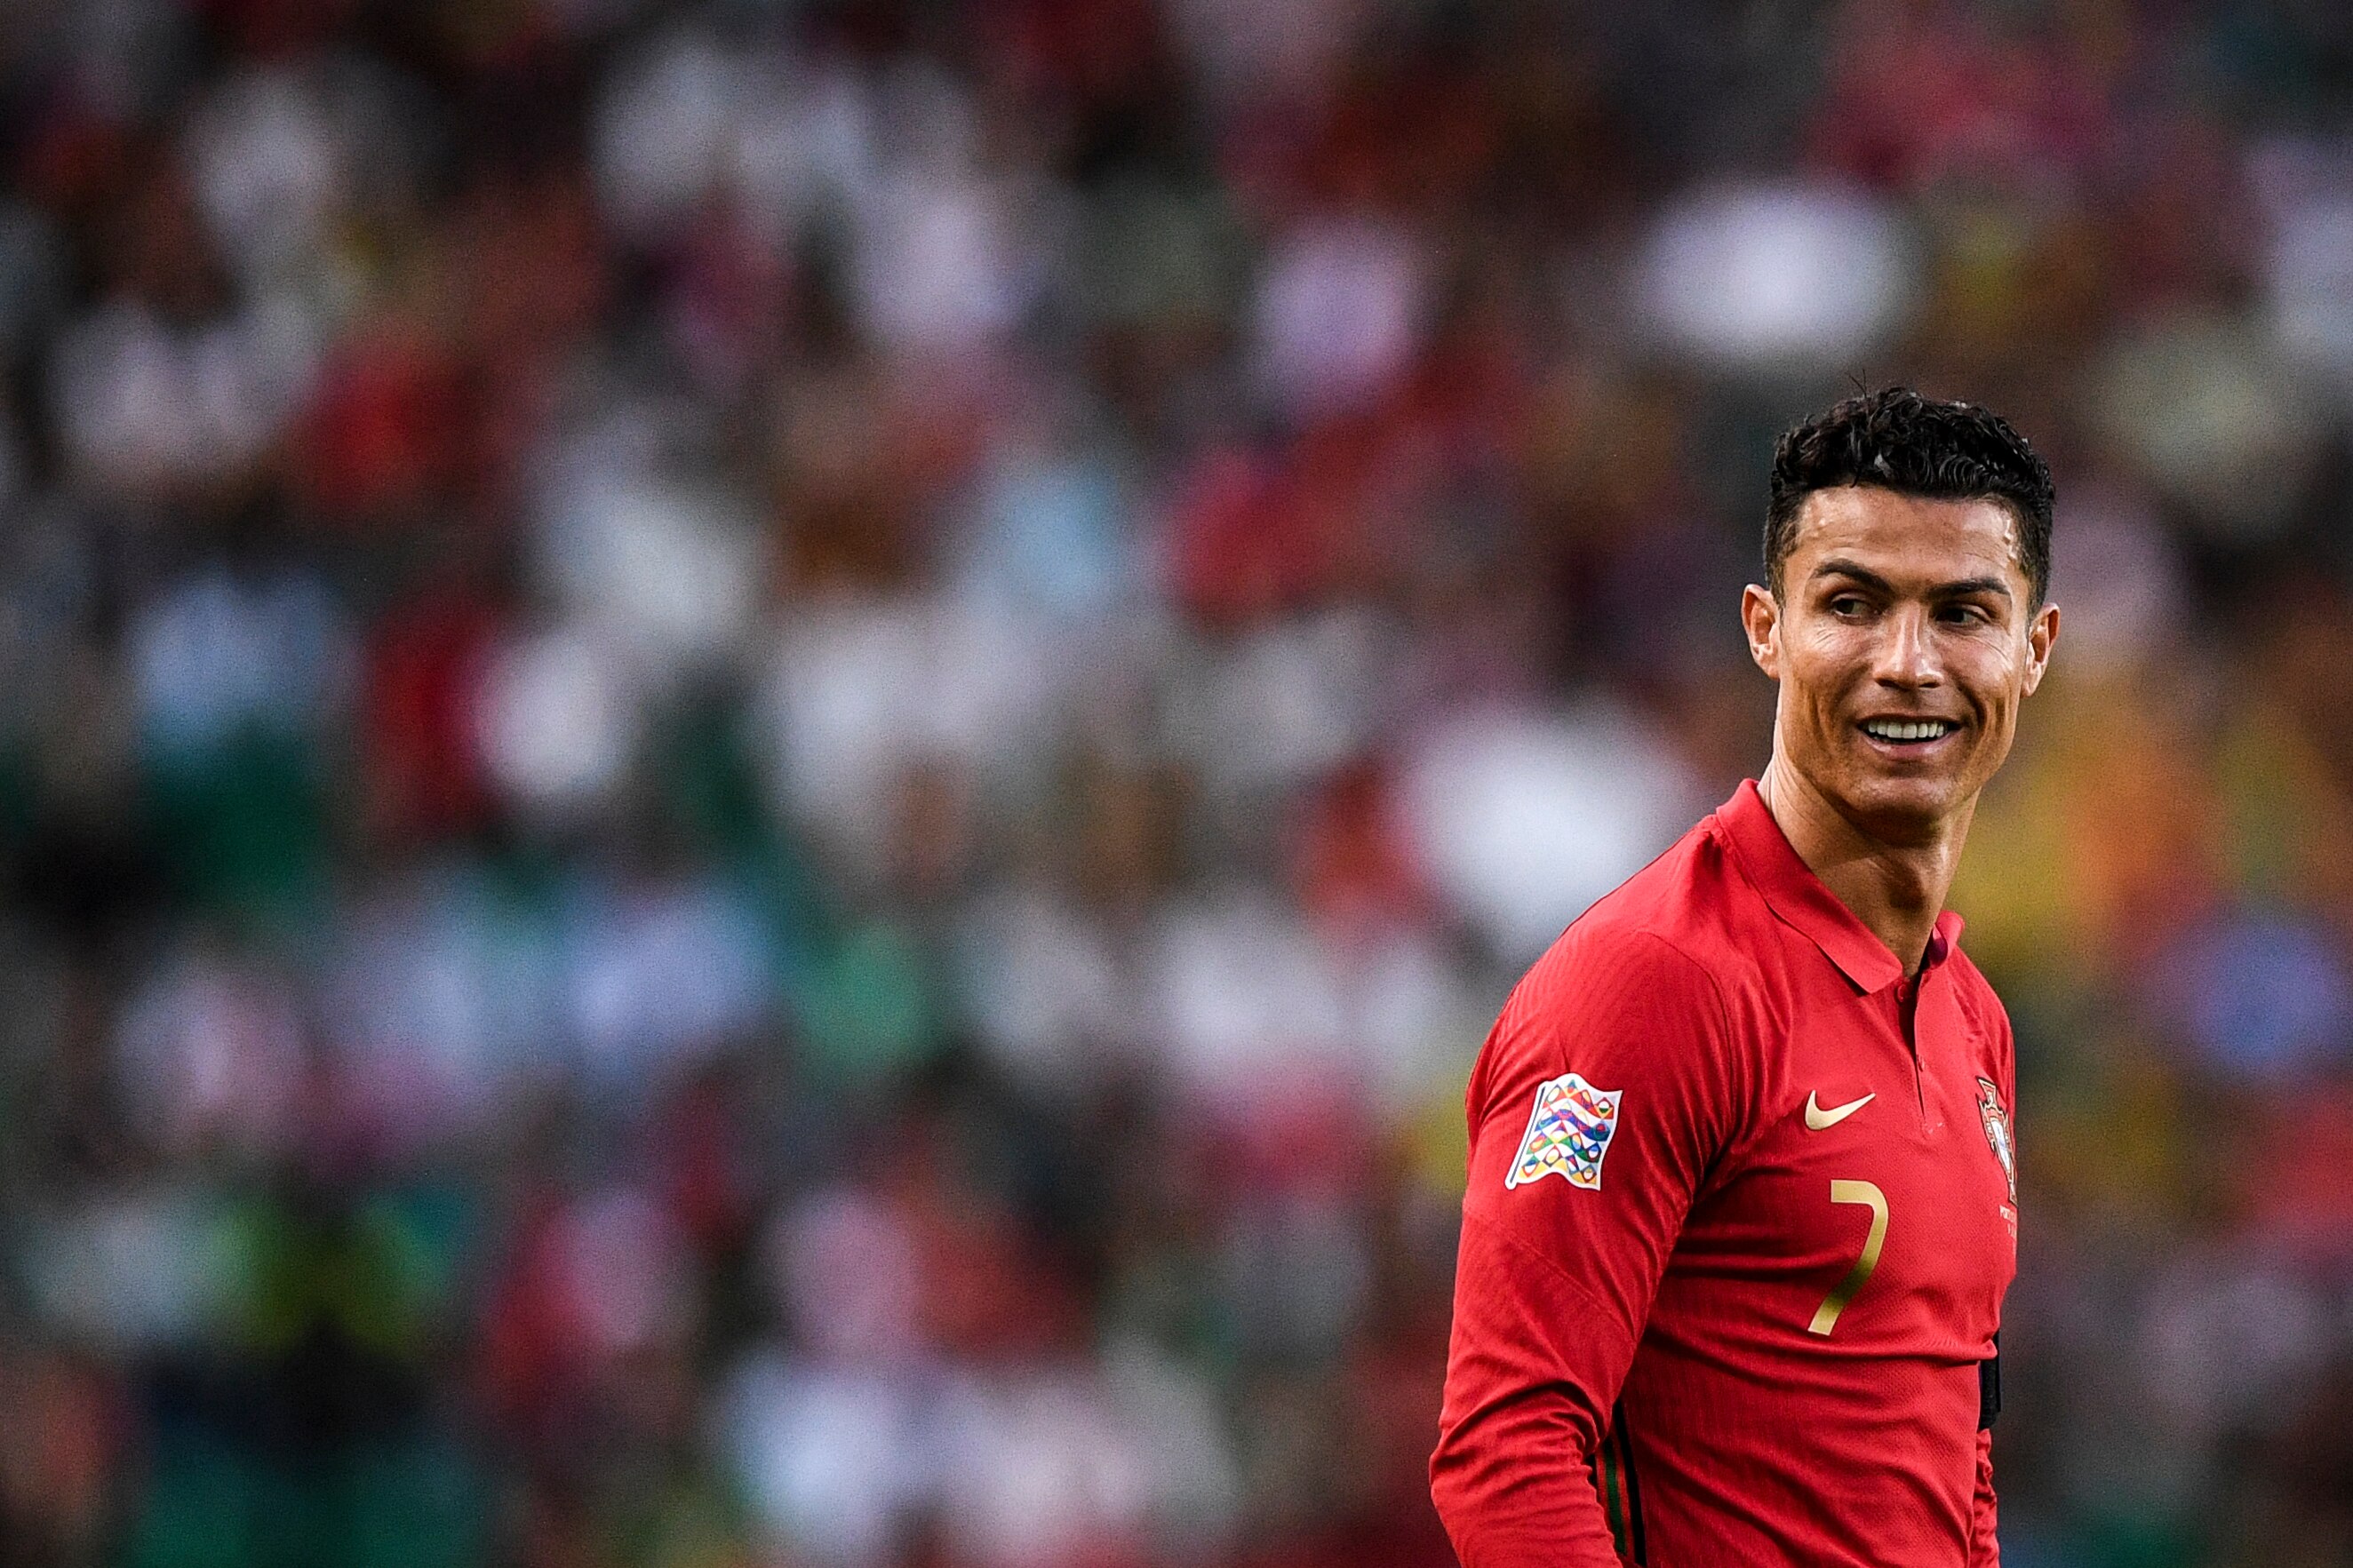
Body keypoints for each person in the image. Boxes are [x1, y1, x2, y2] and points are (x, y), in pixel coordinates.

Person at [1429, 387, 2060, 1566]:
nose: (1908, 663)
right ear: (1767, 628)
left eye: (1963, 611)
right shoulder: (1653, 985)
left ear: (2036, 645)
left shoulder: (1973, 1020)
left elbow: (1950, 1460)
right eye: (1853, 604)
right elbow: (1507, 1448)